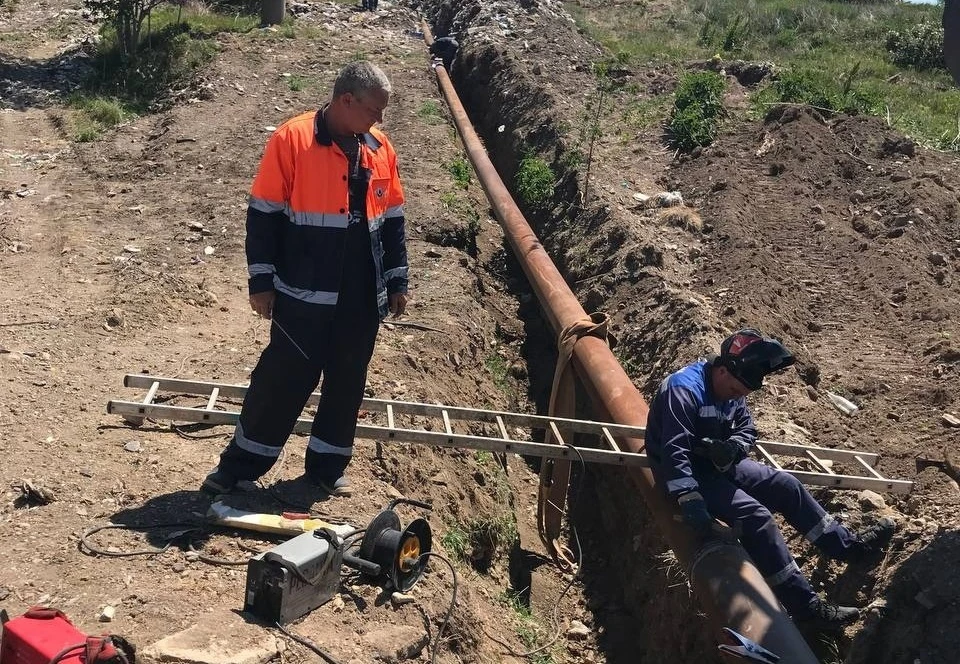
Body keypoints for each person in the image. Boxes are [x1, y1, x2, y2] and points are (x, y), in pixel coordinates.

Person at [201, 61, 408, 498]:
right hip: (304, 289)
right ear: (346, 100)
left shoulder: (379, 147)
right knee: (283, 377)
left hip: (360, 292)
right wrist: (261, 281)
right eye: (374, 109)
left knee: (348, 379)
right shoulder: (292, 139)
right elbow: (264, 215)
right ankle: (239, 467)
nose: (380, 119)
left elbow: (392, 221)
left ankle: (326, 469)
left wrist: (396, 280)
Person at [644, 329, 896, 629]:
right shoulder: (684, 390)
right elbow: (674, 450)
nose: (739, 396)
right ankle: (807, 609)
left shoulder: (732, 389)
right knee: (757, 518)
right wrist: (688, 496)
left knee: (786, 486)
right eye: (737, 390)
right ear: (722, 369)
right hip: (688, 472)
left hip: (717, 465)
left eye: (744, 393)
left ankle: (847, 547)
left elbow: (746, 428)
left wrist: (734, 447)